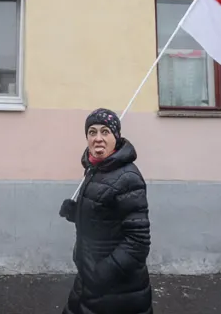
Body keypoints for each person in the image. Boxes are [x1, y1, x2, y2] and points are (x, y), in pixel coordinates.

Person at [58, 108, 153, 314]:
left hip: (117, 289)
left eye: (105, 132)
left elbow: (138, 242)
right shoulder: (96, 169)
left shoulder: (127, 177)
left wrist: (102, 273)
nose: (98, 138)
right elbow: (105, 217)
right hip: (90, 278)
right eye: (92, 132)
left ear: (115, 137)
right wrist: (76, 213)